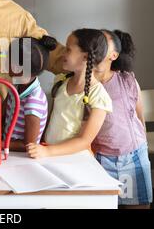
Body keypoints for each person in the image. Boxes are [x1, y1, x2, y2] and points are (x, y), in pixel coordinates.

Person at [26, 29, 112, 158]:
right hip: (50, 154)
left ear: (86, 56)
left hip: (74, 160)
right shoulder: (61, 81)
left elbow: (84, 141)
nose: (63, 54)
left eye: (68, 50)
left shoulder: (98, 96)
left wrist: (48, 151)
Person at [93, 30, 152, 209]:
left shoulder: (126, 80)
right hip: (100, 158)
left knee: (138, 204)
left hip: (132, 155)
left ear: (113, 55)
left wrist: (144, 148)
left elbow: (139, 116)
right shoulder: (85, 83)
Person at [3, 36, 57, 152]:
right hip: (7, 148)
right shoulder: (15, 87)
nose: (5, 61)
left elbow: (28, 145)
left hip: (19, 158)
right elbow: (0, 113)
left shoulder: (33, 101)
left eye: (8, 59)